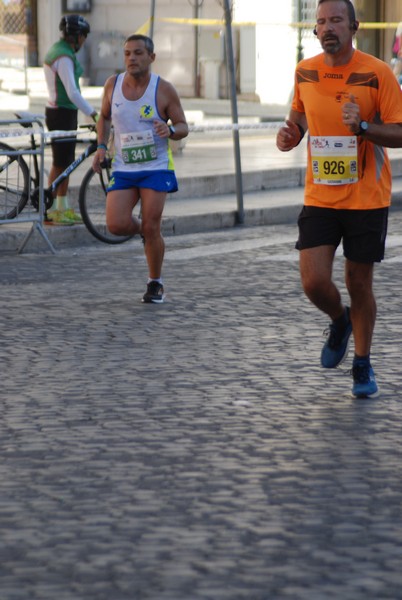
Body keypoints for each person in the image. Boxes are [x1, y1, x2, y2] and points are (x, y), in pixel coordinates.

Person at [276, 0, 402, 398]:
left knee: (358, 282)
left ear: (354, 26)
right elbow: (296, 120)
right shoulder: (305, 71)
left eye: (335, 20)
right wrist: (288, 136)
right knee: (313, 281)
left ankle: (362, 364)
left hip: (366, 196)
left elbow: (400, 132)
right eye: (321, 22)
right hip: (320, 195)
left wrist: (363, 127)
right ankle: (339, 319)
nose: (327, 27)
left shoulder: (377, 73)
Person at [92, 34, 188, 303]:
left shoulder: (164, 89)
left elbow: (183, 126)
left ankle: (155, 282)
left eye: (138, 53)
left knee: (152, 223)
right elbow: (105, 117)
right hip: (124, 166)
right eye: (127, 54)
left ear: (151, 57)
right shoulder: (112, 85)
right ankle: (146, 233)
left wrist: (168, 129)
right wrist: (101, 147)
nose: (131, 58)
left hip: (156, 167)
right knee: (116, 224)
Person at [44, 14, 98, 225]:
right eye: (84, 37)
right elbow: (73, 92)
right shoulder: (63, 56)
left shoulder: (61, 51)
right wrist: (93, 113)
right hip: (61, 113)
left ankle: (61, 206)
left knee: (64, 162)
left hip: (63, 112)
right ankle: (53, 209)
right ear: (77, 36)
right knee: (61, 163)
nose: (84, 42)